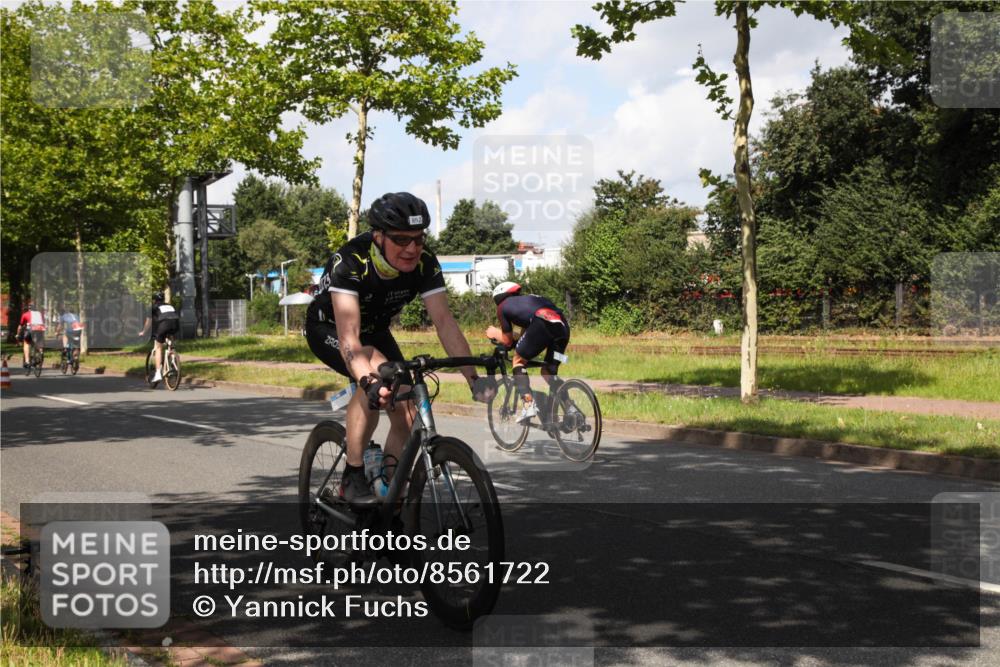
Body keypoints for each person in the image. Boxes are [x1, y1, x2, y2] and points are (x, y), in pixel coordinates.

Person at [305, 192, 496, 503]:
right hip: (330, 329)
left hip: (375, 331)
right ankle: (352, 476)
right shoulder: (351, 261)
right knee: (374, 378)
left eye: (419, 239)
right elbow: (350, 338)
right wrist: (366, 380)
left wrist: (472, 377)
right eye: (401, 239)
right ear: (378, 236)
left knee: (407, 409)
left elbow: (444, 322)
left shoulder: (424, 263)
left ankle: (389, 496)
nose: (412, 248)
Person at [485, 282, 570, 423]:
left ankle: (528, 403)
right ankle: (569, 408)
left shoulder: (502, 307)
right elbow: (527, 339)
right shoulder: (529, 302)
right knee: (548, 371)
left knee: (517, 362)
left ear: (499, 297)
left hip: (541, 322)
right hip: (562, 327)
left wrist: (494, 333)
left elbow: (507, 341)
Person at [138, 292, 180, 382]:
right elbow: (171, 316)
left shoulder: (153, 307)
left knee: (158, 347)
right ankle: (173, 358)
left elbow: (149, 322)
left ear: (154, 300)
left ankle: (158, 373)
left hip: (164, 325)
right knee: (170, 342)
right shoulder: (170, 306)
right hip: (175, 324)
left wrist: (143, 332)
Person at [16, 302, 46, 369]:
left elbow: (20, 326)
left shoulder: (25, 314)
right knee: (39, 342)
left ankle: (27, 361)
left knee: (26, 343)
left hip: (31, 330)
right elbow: (43, 323)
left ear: (28, 308)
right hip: (40, 329)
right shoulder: (40, 314)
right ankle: (41, 352)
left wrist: (18, 334)